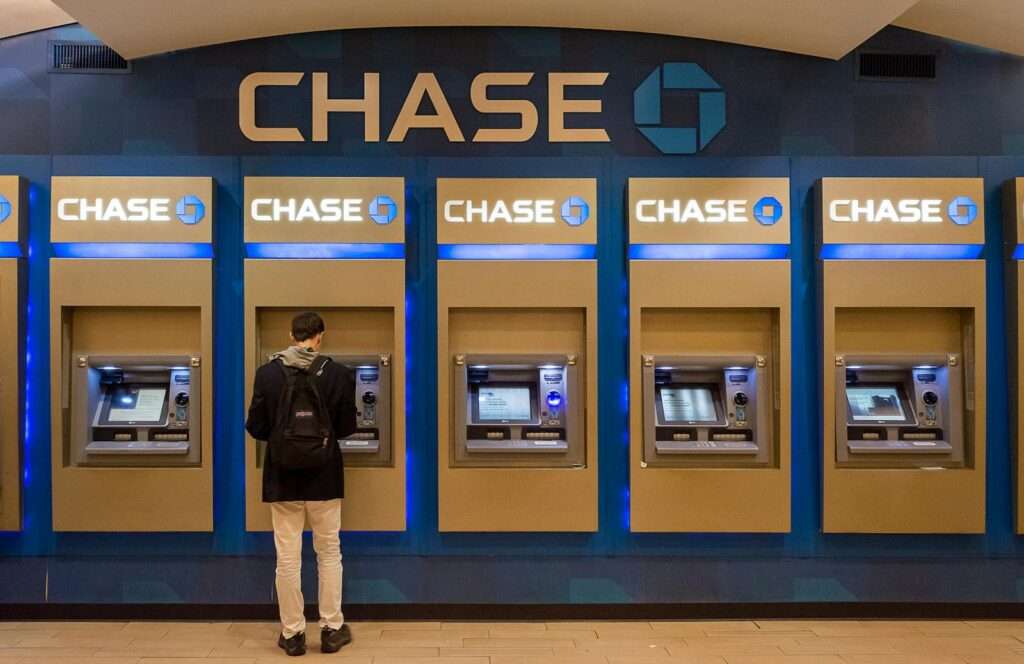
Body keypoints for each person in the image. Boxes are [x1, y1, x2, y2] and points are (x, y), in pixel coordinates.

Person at [246, 311, 357, 657]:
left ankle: (293, 634)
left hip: (283, 476)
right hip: (324, 475)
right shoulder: (337, 374)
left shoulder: (267, 374)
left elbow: (256, 427)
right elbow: (347, 426)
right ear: (320, 336)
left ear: (291, 335)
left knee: (288, 557)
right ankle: (331, 629)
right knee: (328, 552)